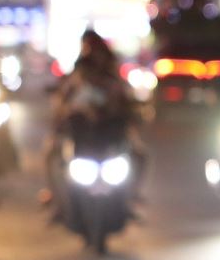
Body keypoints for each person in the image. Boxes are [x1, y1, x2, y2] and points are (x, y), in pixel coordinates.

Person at [43, 30, 145, 209]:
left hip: (111, 132)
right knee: (50, 152)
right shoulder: (79, 72)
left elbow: (126, 99)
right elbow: (63, 98)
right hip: (80, 132)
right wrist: (63, 113)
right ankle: (56, 198)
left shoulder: (113, 74)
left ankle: (133, 195)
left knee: (140, 154)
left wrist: (129, 111)